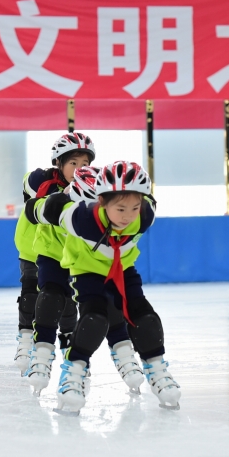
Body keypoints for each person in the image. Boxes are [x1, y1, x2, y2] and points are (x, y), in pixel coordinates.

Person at [29, 161, 181, 414]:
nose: (127, 216)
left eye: (134, 207)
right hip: (87, 271)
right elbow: (38, 211)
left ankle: (157, 369)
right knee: (95, 319)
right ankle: (73, 374)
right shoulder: (79, 218)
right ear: (101, 202)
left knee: (144, 315)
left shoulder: (145, 215)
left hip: (122, 269)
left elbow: (144, 206)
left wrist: (137, 207)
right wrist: (43, 203)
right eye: (120, 208)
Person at [26, 166, 145, 396]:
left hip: (88, 259)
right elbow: (33, 210)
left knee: (109, 303)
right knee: (51, 295)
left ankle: (123, 352)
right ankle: (41, 352)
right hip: (54, 253)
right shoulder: (57, 204)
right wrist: (38, 207)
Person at [13, 132, 95, 385]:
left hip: (68, 253)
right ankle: (27, 338)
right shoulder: (42, 181)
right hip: (34, 248)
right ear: (58, 164)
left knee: (68, 303)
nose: (79, 169)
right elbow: (32, 189)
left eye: (84, 164)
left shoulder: (91, 187)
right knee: (32, 294)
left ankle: (68, 344)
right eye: (73, 163)